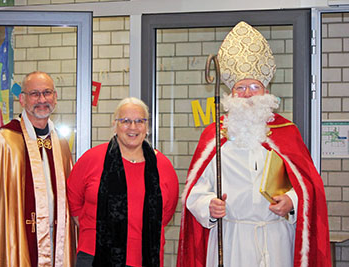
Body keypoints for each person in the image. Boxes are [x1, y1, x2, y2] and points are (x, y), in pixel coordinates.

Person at [177, 21, 331, 267]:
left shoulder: (286, 132)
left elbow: (309, 186)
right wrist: (208, 206)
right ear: (231, 93)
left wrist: (291, 200)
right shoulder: (214, 136)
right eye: (241, 88)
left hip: (278, 238)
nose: (247, 94)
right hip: (230, 238)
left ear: (266, 90)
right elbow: (195, 192)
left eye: (254, 87)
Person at [0, 71, 75, 267]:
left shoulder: (60, 143)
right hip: (16, 245)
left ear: (55, 97)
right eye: (34, 94)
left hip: (56, 242)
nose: (42, 99)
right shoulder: (4, 141)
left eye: (47, 93)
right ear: (22, 99)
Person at [67, 97, 179, 267]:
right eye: (125, 121)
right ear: (115, 125)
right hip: (94, 256)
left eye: (139, 121)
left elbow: (166, 213)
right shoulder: (92, 159)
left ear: (147, 127)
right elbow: (74, 203)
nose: (133, 127)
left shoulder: (163, 166)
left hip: (144, 259)